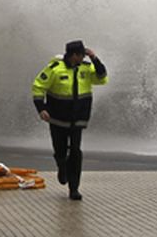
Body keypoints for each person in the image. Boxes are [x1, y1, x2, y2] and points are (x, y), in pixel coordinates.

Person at [31, 40, 108, 200]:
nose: (83, 58)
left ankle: (74, 188)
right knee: (60, 150)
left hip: (77, 119)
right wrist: (41, 108)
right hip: (57, 119)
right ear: (74, 55)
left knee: (75, 152)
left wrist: (94, 58)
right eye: (82, 55)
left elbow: (102, 77)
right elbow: (38, 86)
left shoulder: (86, 68)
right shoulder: (54, 69)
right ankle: (61, 165)